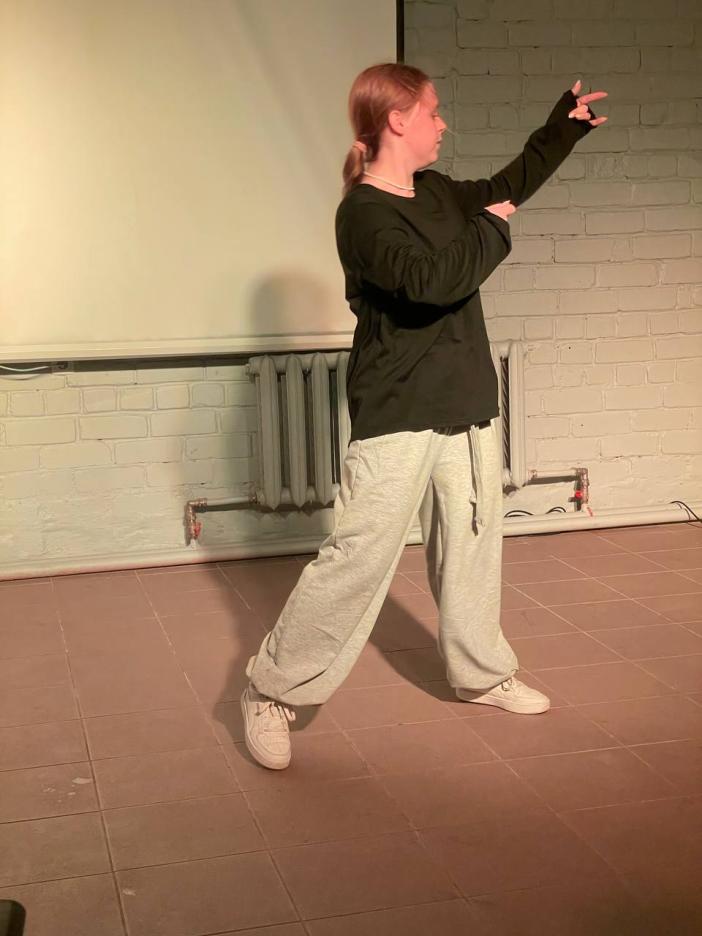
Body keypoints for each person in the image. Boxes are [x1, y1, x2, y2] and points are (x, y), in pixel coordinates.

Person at [241, 63, 608, 770]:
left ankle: (480, 673)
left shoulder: (436, 191)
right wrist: (494, 230)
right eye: (434, 112)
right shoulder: (363, 214)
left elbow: (507, 185)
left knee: (471, 543)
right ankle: (271, 690)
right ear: (398, 119)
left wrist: (561, 130)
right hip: (399, 407)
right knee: (358, 556)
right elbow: (431, 283)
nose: (443, 123)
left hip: (465, 399)